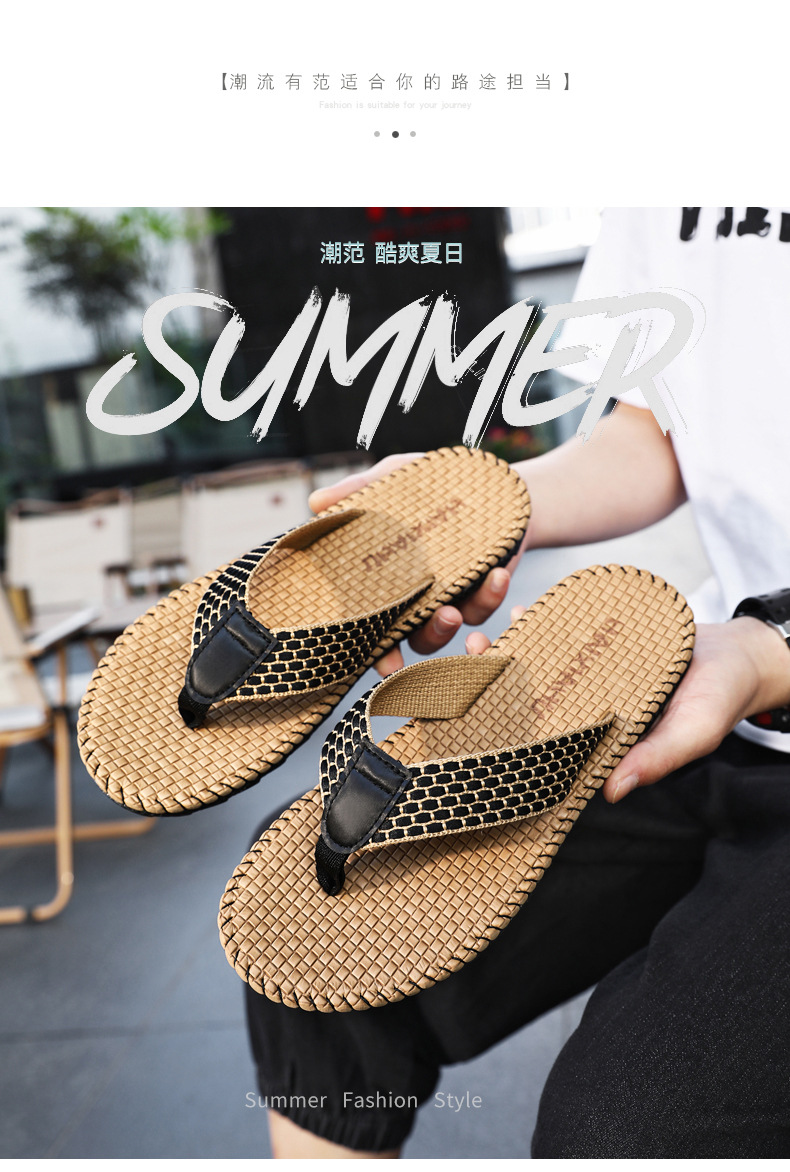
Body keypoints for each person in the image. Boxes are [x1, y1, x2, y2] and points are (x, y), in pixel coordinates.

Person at [245, 207, 790, 1158]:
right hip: (715, 691)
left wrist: (768, 650)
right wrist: (487, 506)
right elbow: (656, 431)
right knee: (313, 918)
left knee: (624, 1129)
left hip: (748, 662)